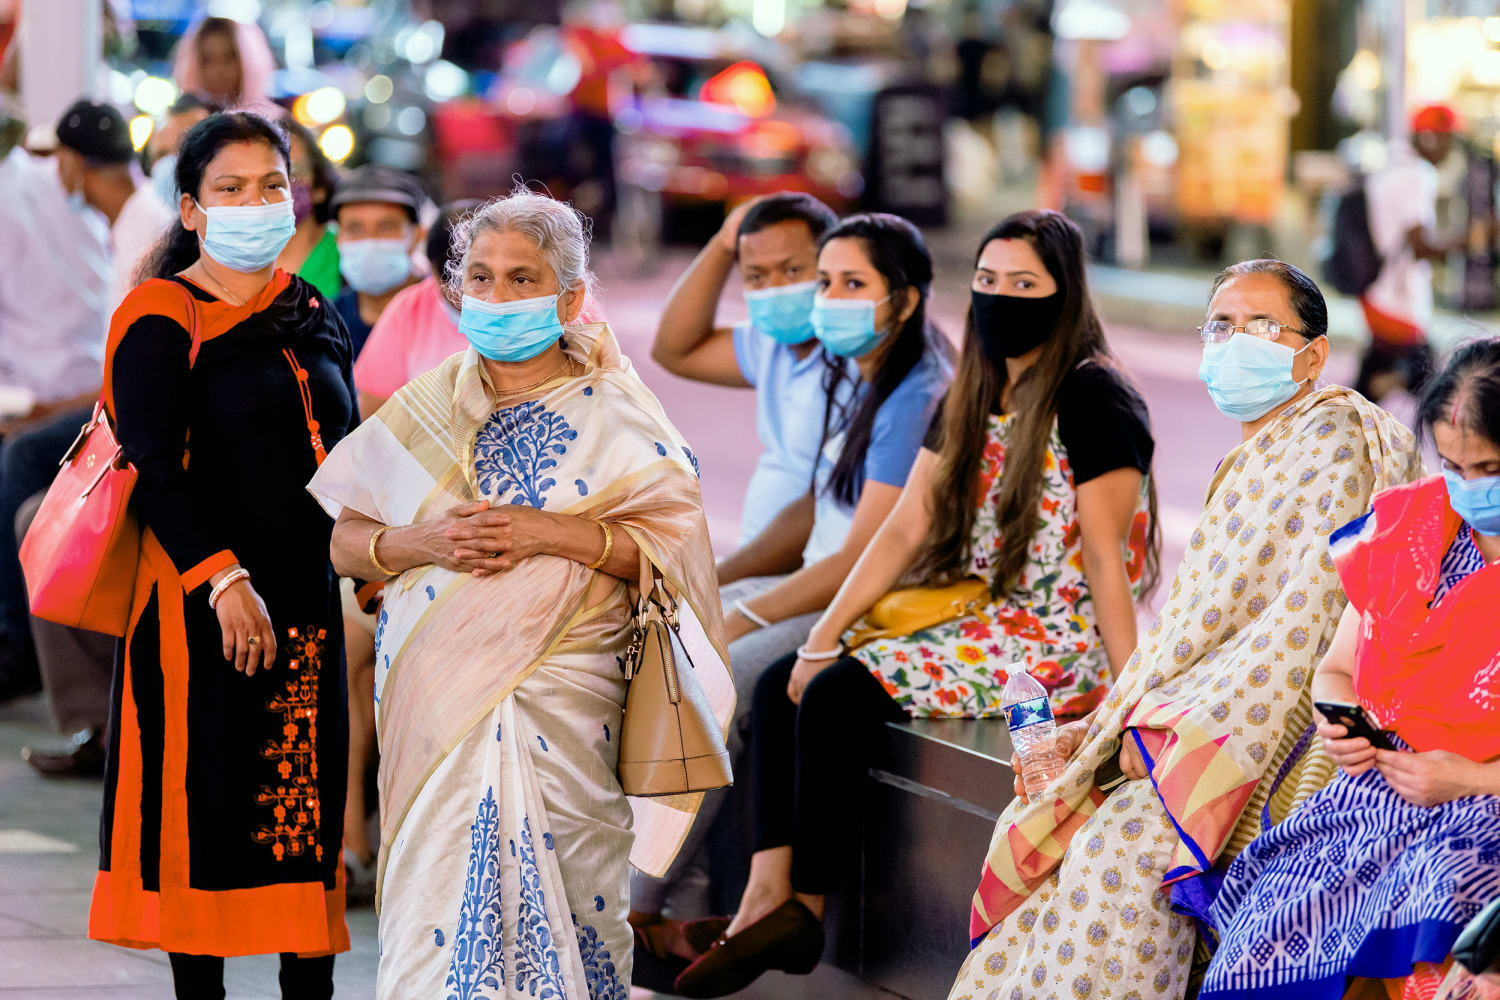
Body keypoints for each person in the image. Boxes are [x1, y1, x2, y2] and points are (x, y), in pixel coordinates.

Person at [671, 210, 1156, 996]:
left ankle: (805, 906)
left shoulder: (1095, 396)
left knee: (831, 695)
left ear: (1063, 297)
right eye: (989, 282)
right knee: (782, 679)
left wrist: (1132, 691)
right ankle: (769, 896)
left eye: (1024, 285)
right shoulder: (979, 386)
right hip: (984, 619)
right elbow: (902, 529)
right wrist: (826, 633)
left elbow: (1107, 557)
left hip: (1055, 641)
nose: (1001, 300)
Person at [946, 259, 1422, 1000]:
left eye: (1264, 327)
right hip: (1195, 717)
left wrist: (1154, 742)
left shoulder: (1335, 440)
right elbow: (1193, 636)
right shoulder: (1254, 456)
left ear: (1314, 354)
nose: (1238, 342)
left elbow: (1298, 633)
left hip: (1273, 731)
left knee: (1117, 848)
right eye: (1223, 326)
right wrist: (1104, 728)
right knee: (1047, 816)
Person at [308, 186, 730, 999]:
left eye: (524, 279)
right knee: (435, 908)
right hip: (434, 697)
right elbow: (341, 541)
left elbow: (673, 547)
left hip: (566, 699)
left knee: (571, 901)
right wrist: (418, 543)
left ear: (570, 297)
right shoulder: (427, 405)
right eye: (484, 278)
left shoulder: (619, 415)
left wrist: (545, 533)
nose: (499, 297)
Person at [88, 111, 354, 997]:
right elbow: (155, 470)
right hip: (199, 606)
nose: (255, 203)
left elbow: (341, 453)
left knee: (299, 820)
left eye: (271, 186)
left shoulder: (309, 309)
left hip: (307, 601)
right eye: (231, 189)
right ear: (193, 210)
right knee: (204, 810)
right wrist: (223, 580)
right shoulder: (162, 316)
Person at [1199, 338, 1500, 1000]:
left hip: (1483, 807)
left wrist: (1470, 778)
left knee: (1444, 904)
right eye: (1452, 466)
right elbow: (1338, 669)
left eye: (1489, 470)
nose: (1468, 489)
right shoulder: (1409, 528)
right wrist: (1341, 720)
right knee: (1273, 921)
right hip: (1382, 789)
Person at [0, 100, 130, 701]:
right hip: (116, 399)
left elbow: (127, 375)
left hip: (132, 417)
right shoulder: (120, 221)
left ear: (73, 163)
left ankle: (13, 644)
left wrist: (50, 411)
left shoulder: (136, 228)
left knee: (25, 458)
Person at [651, 191, 843, 547]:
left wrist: (724, 580)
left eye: (792, 270)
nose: (775, 289)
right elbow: (674, 350)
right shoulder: (768, 345)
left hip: (805, 570)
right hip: (762, 563)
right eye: (756, 277)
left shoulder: (856, 356)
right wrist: (723, 246)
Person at [1357, 104, 1468, 403]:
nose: (1450, 149)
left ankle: (1345, 424)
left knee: (1370, 382)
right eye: (1448, 139)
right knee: (1428, 380)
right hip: (1396, 299)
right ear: (1429, 137)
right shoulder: (1416, 175)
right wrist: (1467, 240)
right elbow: (1421, 246)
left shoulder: (1393, 165)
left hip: (1376, 290)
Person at [351, 199, 477, 415]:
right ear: (432, 272)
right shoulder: (408, 310)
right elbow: (372, 414)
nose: (468, 295)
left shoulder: (527, 308)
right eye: (452, 286)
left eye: (482, 279)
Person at [328, 164, 427, 357]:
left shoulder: (446, 314)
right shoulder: (325, 323)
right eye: (355, 229)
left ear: (417, 236)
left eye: (386, 227)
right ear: (338, 239)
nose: (370, 241)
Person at [275, 117, 341, 299]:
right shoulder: (240, 256)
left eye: (293, 173)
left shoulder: (345, 252)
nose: (280, 187)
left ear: (320, 187)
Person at [172, 15, 275, 110]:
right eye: (207, 60)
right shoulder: (184, 124)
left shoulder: (275, 124)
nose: (218, 70)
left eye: (228, 59)